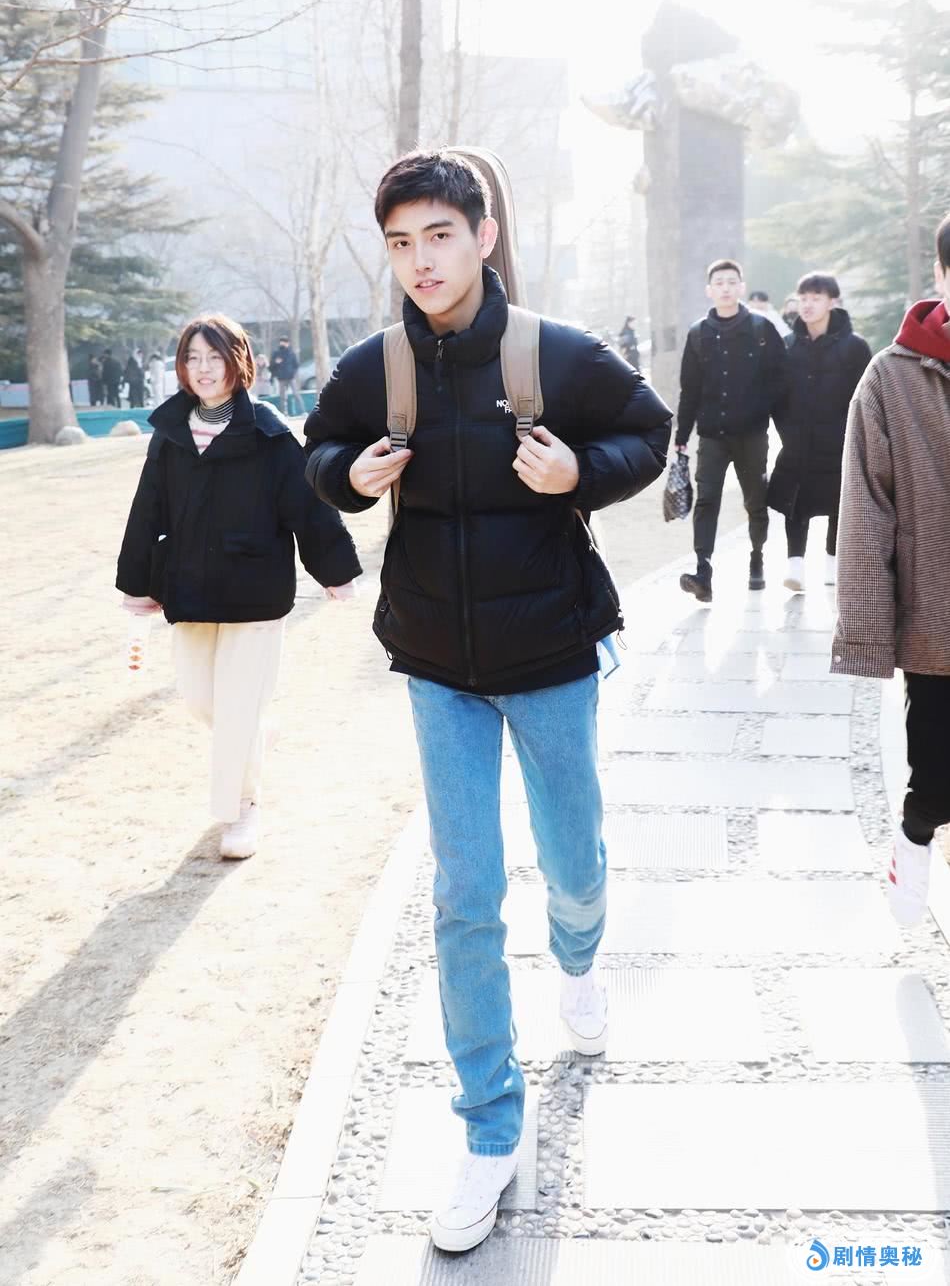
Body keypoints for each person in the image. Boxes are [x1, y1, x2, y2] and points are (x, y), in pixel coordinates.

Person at [303, 149, 671, 1253]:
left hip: (551, 653)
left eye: (439, 236)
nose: (421, 261)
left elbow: (650, 431)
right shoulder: (377, 365)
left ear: (483, 236)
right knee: (463, 894)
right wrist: (346, 476)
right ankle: (487, 1128)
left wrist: (579, 474)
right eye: (400, 243)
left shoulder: (555, 352)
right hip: (436, 664)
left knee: (572, 860)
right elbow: (319, 450)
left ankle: (580, 959)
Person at [116, 314, 360, 860]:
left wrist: (335, 572)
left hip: (255, 589)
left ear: (238, 362)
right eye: (193, 358)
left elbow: (305, 506)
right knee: (201, 700)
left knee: (236, 708)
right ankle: (256, 734)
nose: (203, 369)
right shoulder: (171, 432)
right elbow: (147, 508)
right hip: (187, 587)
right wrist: (137, 584)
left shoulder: (269, 433)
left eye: (214, 357)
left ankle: (241, 808)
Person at [833, 215, 950, 928]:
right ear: (940, 276)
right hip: (936, 617)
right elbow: (865, 511)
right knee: (936, 778)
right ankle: (914, 837)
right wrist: (870, 632)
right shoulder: (892, 376)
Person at [675, 259, 788, 602]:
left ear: (741, 287)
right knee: (706, 500)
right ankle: (703, 571)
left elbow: (780, 380)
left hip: (751, 435)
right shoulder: (698, 334)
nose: (725, 288)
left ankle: (757, 557)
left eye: (731, 282)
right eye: (719, 283)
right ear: (709, 290)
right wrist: (681, 438)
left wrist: (776, 423)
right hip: (711, 436)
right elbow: (689, 390)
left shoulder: (761, 329)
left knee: (755, 500)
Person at [767, 273, 871, 593]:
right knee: (795, 500)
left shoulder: (854, 347)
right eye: (803, 298)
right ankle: (794, 564)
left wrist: (851, 434)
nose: (808, 305)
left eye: (816, 298)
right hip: (797, 440)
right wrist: (788, 430)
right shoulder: (787, 346)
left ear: (832, 302)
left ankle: (832, 561)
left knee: (839, 501)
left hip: (840, 441)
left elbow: (865, 396)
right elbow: (776, 395)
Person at [270, 336, 302, 414]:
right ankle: (284, 412)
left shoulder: (291, 353)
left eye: (285, 342)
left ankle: (302, 411)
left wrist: (293, 373)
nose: (283, 344)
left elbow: (296, 365)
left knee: (296, 394)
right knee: (282, 396)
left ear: (288, 343)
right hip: (281, 378)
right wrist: (275, 362)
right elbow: (271, 366)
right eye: (282, 342)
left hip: (291, 377)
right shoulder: (276, 353)